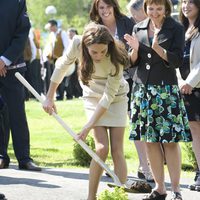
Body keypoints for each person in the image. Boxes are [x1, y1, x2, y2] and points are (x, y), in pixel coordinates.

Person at [43, 23, 129, 200]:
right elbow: (61, 67)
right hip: (91, 95)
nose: (99, 56)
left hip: (116, 98)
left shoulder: (117, 57)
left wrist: (88, 126)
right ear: (86, 46)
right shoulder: (77, 43)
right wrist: (50, 97)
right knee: (101, 148)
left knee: (117, 150)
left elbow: (108, 97)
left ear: (109, 46)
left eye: (103, 52)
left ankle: (120, 196)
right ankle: (91, 197)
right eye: (94, 52)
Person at [124, 0, 192, 199]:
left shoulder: (176, 28)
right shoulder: (138, 27)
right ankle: (160, 189)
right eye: (150, 8)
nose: (154, 12)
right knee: (149, 142)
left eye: (159, 8)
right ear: (145, 8)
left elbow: (178, 60)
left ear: (166, 9)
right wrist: (135, 50)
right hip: (142, 91)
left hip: (165, 92)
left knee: (170, 142)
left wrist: (159, 50)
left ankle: (176, 190)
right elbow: (132, 63)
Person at [0, 0, 41, 171]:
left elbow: (22, 32)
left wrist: (4, 60)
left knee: (17, 113)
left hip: (13, 67)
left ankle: (24, 158)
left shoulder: (17, 1)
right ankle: (1, 155)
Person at [127, 0, 154, 183]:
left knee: (150, 127)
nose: (132, 18)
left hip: (155, 82)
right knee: (138, 125)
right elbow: (132, 58)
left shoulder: (159, 27)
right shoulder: (136, 28)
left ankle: (148, 166)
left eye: (134, 14)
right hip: (135, 81)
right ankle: (144, 166)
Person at [178, 0, 200, 192]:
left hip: (195, 86)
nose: (186, 5)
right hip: (186, 90)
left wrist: (190, 82)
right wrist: (180, 82)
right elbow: (175, 61)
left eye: (191, 1)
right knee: (195, 132)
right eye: (184, 1)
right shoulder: (181, 29)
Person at [43, 19, 70, 99]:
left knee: (60, 76)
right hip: (53, 59)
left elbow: (67, 46)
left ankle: (61, 94)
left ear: (54, 26)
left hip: (61, 59)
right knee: (54, 77)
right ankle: (58, 94)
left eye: (50, 27)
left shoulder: (63, 33)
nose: (49, 29)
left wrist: (63, 58)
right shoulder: (51, 35)